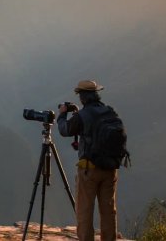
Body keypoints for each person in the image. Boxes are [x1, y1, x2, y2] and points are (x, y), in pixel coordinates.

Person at [57, 80, 118, 241]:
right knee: (108, 210)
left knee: (85, 211)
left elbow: (65, 130)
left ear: (82, 97)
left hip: (89, 170)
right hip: (110, 169)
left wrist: (62, 114)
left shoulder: (83, 116)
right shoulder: (109, 112)